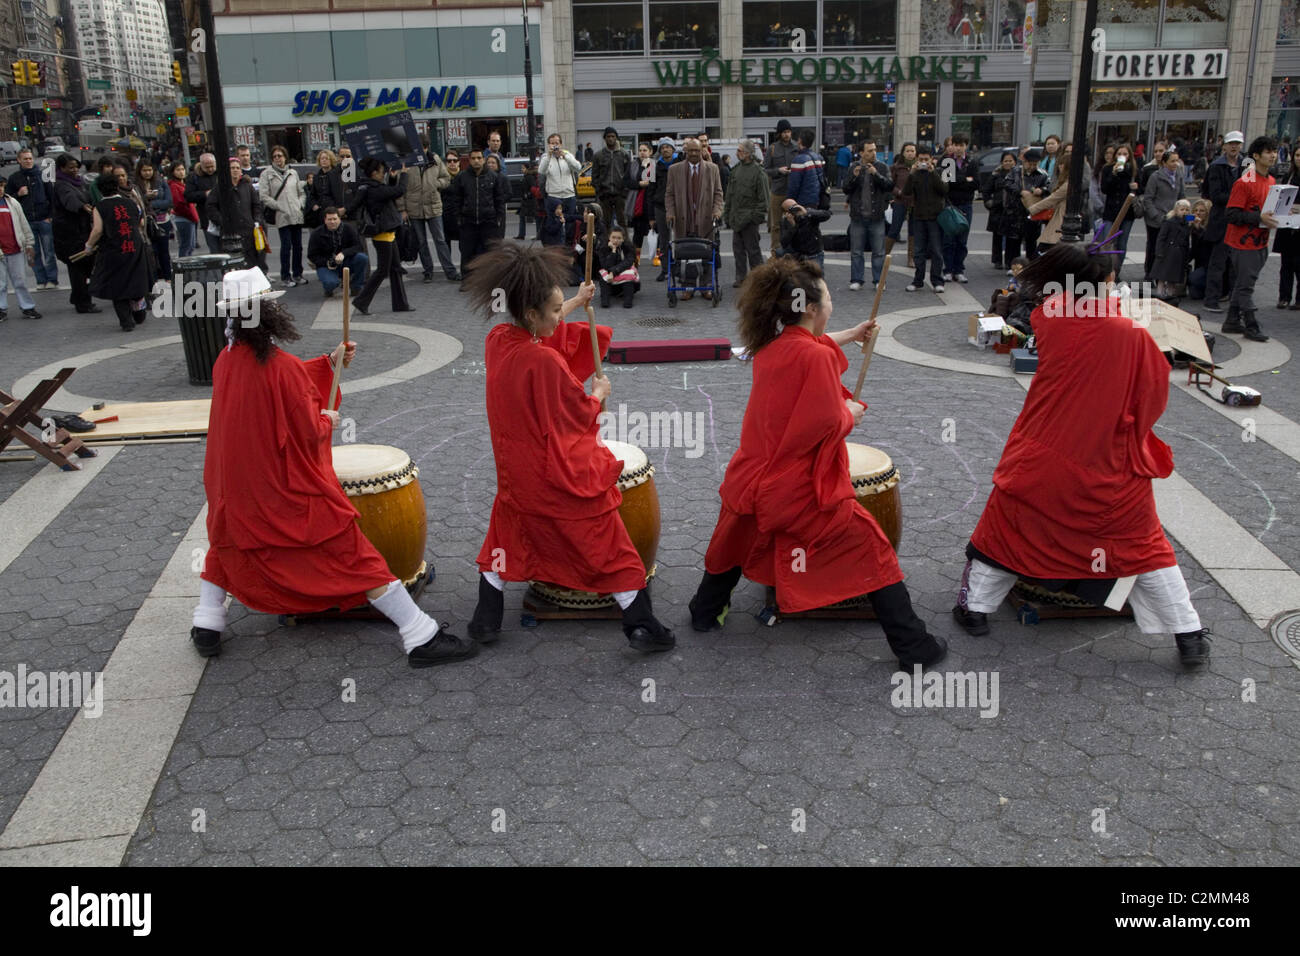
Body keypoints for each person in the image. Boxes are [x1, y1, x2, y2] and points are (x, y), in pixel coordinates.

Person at [953, 243, 1213, 670]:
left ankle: (975, 611)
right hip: (1107, 461)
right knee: (1144, 547)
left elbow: (1056, 303)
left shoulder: (1049, 316)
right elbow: (1151, 400)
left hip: (1040, 453)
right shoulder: (1132, 336)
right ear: (1110, 283)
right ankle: (1188, 635)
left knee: (1005, 531)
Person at [687, 256, 949, 672]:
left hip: (751, 474)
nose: (831, 306)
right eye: (828, 300)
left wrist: (851, 334)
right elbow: (824, 423)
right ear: (810, 308)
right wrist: (851, 413)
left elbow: (811, 346)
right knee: (872, 549)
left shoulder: (769, 348)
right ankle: (914, 646)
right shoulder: (815, 359)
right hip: (797, 486)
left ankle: (704, 611)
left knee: (733, 541)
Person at [192, 291, 475, 668]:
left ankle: (206, 622)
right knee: (352, 553)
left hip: (234, 484)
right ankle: (419, 634)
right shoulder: (282, 366)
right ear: (269, 317)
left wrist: (328, 363)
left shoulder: (225, 360)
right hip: (279, 488)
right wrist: (329, 420)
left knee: (229, 541)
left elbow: (277, 390)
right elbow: (306, 426)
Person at [461, 243, 676, 653]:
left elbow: (542, 333)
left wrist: (576, 300)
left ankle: (485, 619)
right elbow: (574, 414)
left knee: (505, 540)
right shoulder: (544, 363)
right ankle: (641, 624)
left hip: (514, 473)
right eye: (557, 310)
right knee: (608, 543)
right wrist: (597, 394)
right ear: (531, 314)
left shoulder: (499, 340)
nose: (562, 317)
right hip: (552, 473)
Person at [1220, 136, 1281, 342]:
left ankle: (1231, 320)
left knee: (1241, 284)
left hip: (1261, 241)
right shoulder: (1245, 182)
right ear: (1256, 156)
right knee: (1246, 286)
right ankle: (1251, 324)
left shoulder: (1272, 181)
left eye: (1274, 151)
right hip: (1242, 242)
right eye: (1268, 151)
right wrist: (1258, 217)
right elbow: (1231, 214)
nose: (1273, 155)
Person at [85, 171, 151, 331]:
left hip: (113, 251)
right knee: (136, 281)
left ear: (100, 190)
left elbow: (98, 230)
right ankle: (139, 311)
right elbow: (141, 223)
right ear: (117, 187)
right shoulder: (130, 203)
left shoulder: (99, 207)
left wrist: (88, 246)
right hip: (134, 247)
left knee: (117, 286)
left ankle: (126, 322)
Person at [347, 156, 410, 315]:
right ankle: (361, 301)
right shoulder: (373, 189)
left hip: (387, 233)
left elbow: (389, 192)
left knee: (395, 268)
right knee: (383, 270)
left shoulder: (372, 187)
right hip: (383, 235)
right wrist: (404, 174)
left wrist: (394, 177)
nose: (384, 174)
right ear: (374, 173)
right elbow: (398, 191)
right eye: (382, 172)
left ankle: (400, 303)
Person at [664, 137, 724, 300]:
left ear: (702, 151)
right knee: (686, 255)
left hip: (705, 220)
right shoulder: (674, 170)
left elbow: (718, 193)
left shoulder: (713, 169)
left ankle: (706, 287)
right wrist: (670, 212)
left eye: (696, 150)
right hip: (684, 219)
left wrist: (717, 210)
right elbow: (669, 194)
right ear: (685, 152)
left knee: (707, 254)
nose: (693, 154)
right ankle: (688, 287)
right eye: (690, 150)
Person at [398, 144, 459, 282]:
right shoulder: (407, 162)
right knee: (421, 242)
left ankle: (450, 271)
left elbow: (446, 179)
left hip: (433, 205)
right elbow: (400, 186)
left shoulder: (435, 159)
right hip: (414, 206)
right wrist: (402, 209)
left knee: (440, 240)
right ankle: (428, 271)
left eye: (424, 147)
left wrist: (436, 184)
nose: (422, 150)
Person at [1201, 130, 1245, 312]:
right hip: (1222, 220)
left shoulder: (1246, 165)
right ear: (1224, 146)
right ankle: (1211, 299)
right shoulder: (1217, 166)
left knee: (1236, 263)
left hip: (1239, 220)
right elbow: (1214, 194)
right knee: (1217, 262)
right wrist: (1239, 198)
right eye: (1231, 143)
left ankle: (1234, 299)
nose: (1234, 147)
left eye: (1237, 143)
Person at [50, 154, 99, 313]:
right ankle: (82, 303)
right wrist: (82, 207)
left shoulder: (78, 183)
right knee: (78, 269)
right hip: (70, 235)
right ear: (62, 168)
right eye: (71, 167)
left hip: (81, 231)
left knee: (84, 268)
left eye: (76, 166)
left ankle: (78, 297)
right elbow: (69, 201)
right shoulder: (61, 185)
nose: (75, 170)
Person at [6, 149, 58, 290]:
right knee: (33, 253)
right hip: (26, 221)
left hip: (44, 219)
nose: (28, 161)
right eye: (25, 159)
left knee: (49, 252)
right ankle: (40, 280)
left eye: (30, 158)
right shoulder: (14, 178)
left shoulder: (43, 176)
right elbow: (7, 199)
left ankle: (52, 279)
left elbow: (52, 197)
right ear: (19, 160)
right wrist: (18, 194)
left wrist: (50, 216)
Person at [449, 148, 506, 276]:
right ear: (469, 160)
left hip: (488, 221)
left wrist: (498, 218)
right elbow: (457, 199)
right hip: (468, 221)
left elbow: (499, 199)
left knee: (492, 252)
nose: (476, 161)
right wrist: (459, 219)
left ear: (483, 159)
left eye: (479, 158)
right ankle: (467, 279)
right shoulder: (462, 177)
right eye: (473, 158)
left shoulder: (493, 176)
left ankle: (492, 278)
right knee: (467, 253)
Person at [844, 140, 892, 291]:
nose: (873, 153)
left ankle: (878, 280)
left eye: (874, 150)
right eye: (870, 150)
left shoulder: (882, 167)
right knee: (856, 251)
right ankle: (857, 279)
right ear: (862, 153)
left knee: (878, 251)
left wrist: (875, 174)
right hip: (858, 216)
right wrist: (855, 177)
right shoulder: (853, 167)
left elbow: (889, 185)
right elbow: (846, 188)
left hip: (876, 216)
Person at [722, 139, 770, 287]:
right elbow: (729, 194)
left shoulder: (758, 172)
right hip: (737, 219)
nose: (737, 153)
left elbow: (764, 199)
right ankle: (741, 277)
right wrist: (727, 214)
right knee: (738, 251)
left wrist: (755, 217)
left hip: (749, 219)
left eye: (740, 151)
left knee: (753, 251)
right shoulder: (736, 170)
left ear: (748, 153)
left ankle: (760, 279)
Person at [206, 157, 267, 274]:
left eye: (237, 168)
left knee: (252, 264)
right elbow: (210, 207)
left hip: (249, 231)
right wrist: (222, 221)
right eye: (232, 168)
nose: (235, 170)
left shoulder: (247, 186)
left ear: (241, 171)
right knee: (234, 266)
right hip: (230, 233)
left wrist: (256, 220)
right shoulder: (220, 188)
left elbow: (257, 205)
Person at [260, 145, 308, 286]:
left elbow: (301, 192)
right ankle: (285, 276)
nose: (277, 159)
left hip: (296, 214)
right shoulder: (266, 174)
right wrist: (278, 206)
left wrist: (300, 204)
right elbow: (264, 196)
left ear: (285, 157)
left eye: (280, 156)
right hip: (282, 215)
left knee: (298, 246)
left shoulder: (293, 173)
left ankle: (298, 274)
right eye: (275, 156)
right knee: (286, 246)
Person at [903, 146, 948, 293]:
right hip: (919, 216)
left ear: (931, 159)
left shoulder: (940, 171)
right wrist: (911, 174)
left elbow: (944, 190)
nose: (923, 162)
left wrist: (933, 172)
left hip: (936, 217)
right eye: (921, 159)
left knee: (936, 250)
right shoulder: (915, 174)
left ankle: (937, 281)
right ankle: (918, 281)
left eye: (926, 159)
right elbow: (906, 192)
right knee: (919, 251)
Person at [1141, 148, 1185, 281]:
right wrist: (1155, 215)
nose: (1175, 164)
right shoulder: (1155, 177)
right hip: (1156, 219)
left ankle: (1162, 274)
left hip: (1172, 218)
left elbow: (1181, 196)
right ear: (1164, 163)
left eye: (1177, 161)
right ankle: (1150, 273)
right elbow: (1148, 198)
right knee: (1154, 246)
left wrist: (1182, 211)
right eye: (1172, 161)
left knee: (1168, 247)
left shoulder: (1179, 176)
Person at [939, 132, 977, 283]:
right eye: (956, 145)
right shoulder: (946, 160)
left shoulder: (972, 161)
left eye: (962, 145)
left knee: (962, 240)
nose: (959, 148)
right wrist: (965, 180)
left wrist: (961, 180)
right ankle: (947, 269)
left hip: (966, 204)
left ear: (966, 146)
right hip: (950, 204)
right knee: (948, 239)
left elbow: (975, 183)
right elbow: (948, 184)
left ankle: (959, 269)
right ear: (952, 145)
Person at [0, 178, 40, 321]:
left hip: (15, 248)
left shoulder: (12, 202)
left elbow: (23, 223)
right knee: (0, 284)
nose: (0, 189)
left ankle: (27, 307)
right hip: (1, 252)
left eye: (2, 186)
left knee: (20, 281)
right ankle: (1, 309)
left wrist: (29, 243)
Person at [307, 207, 368, 297]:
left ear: (339, 219)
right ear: (325, 220)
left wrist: (344, 253)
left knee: (362, 258)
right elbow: (312, 255)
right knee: (331, 283)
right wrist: (328, 262)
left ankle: (356, 287)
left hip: (345, 261)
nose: (332, 222)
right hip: (326, 265)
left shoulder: (348, 228)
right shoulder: (316, 233)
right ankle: (328, 288)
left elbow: (358, 246)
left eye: (335, 219)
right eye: (329, 219)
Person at [1099, 143, 1140, 275]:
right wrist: (1114, 174)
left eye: (1125, 154)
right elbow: (1104, 189)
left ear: (1129, 156)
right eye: (1119, 154)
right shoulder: (1108, 169)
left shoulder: (1134, 170)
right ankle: (1105, 272)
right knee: (1107, 242)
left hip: (1127, 212)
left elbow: (1142, 189)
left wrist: (1136, 187)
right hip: (1111, 211)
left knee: (1122, 244)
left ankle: (1116, 273)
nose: (1122, 156)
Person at [134, 158, 173, 282]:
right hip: (147, 222)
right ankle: (154, 277)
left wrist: (150, 203)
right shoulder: (135, 185)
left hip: (162, 221)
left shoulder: (160, 182)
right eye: (144, 170)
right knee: (151, 251)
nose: (147, 173)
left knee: (164, 251)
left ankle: (168, 276)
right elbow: (136, 202)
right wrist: (146, 197)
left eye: (149, 170)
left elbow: (168, 201)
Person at [1024, 152, 1072, 253]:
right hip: (1058, 216)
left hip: (1061, 218)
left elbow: (1052, 199)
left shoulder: (1068, 184)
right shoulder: (1063, 181)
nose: (1060, 166)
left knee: (1047, 246)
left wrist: (1032, 209)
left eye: (1062, 164)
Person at [538, 132, 582, 242]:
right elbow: (541, 171)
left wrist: (565, 156)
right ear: (548, 145)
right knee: (554, 225)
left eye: (557, 143)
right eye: (552, 143)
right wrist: (548, 156)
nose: (555, 146)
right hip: (554, 196)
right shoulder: (545, 157)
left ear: (561, 144)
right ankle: (555, 247)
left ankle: (569, 246)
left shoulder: (568, 155)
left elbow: (578, 167)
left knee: (570, 225)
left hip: (569, 196)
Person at [764, 119, 799, 256]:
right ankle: (775, 253)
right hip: (777, 191)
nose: (786, 134)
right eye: (784, 132)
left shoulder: (796, 147)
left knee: (794, 223)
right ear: (779, 133)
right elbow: (765, 170)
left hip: (793, 191)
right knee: (776, 225)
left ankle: (793, 252)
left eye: (788, 132)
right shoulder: (772, 148)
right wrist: (779, 170)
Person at [1151, 199, 1193, 301]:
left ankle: (1170, 295)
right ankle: (1159, 294)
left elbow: (1187, 240)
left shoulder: (1187, 223)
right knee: (1162, 276)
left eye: (1187, 210)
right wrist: (1159, 252)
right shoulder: (1169, 222)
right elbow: (1161, 237)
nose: (1184, 212)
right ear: (1176, 210)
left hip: (1179, 254)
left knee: (1173, 279)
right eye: (1182, 209)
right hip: (1167, 252)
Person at [592, 126, 631, 231]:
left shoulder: (624, 154)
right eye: (608, 136)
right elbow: (594, 176)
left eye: (613, 136)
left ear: (616, 138)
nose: (610, 139)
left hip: (620, 194)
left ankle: (625, 244)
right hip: (605, 194)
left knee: (622, 222)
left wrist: (625, 192)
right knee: (605, 223)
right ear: (605, 138)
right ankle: (605, 244)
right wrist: (599, 191)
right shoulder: (598, 155)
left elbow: (628, 174)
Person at [1275, 158, 1300, 310]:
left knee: (1299, 263)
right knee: (1286, 264)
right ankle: (1284, 297)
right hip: (1286, 224)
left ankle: (1299, 299)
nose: (1299, 158)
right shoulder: (1288, 177)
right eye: (1297, 155)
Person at [650, 138, 677, 278]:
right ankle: (665, 269)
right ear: (660, 151)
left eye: (668, 147)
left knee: (679, 238)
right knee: (663, 239)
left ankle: (677, 268)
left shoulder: (680, 163)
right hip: (660, 207)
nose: (665, 149)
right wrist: (650, 216)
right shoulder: (654, 166)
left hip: (678, 206)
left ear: (673, 149)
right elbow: (650, 190)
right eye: (663, 147)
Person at [987, 151, 1018, 270]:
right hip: (998, 209)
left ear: (1015, 162)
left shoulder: (1018, 175)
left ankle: (1010, 261)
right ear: (1001, 162)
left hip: (1013, 210)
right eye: (1006, 161)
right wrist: (988, 202)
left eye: (1010, 161)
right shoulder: (996, 174)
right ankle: (997, 260)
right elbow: (987, 190)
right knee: (997, 236)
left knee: (1011, 238)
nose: (1008, 163)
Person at [185, 152, 220, 253]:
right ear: (201, 165)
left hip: (223, 216)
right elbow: (188, 196)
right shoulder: (194, 177)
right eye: (207, 167)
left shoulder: (221, 173)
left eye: (212, 166)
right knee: (215, 250)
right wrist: (205, 194)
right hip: (207, 219)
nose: (210, 169)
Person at [889, 142, 917, 268]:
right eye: (907, 151)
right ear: (903, 153)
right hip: (900, 201)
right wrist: (898, 192)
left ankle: (911, 258)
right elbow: (890, 184)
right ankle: (885, 255)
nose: (910, 153)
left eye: (912, 151)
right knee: (894, 230)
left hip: (915, 203)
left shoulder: (919, 166)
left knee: (913, 231)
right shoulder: (896, 167)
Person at [779, 198, 830, 267]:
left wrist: (807, 213)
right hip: (798, 256)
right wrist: (793, 226)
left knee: (816, 276)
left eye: (796, 205)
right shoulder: (786, 221)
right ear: (786, 212)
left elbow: (827, 215)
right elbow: (784, 243)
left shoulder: (807, 213)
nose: (795, 209)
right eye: (792, 208)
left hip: (814, 254)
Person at [597, 224, 638, 308]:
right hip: (610, 277)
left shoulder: (628, 247)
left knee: (630, 272)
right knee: (603, 274)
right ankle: (605, 300)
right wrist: (613, 251)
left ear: (623, 239)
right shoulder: (603, 248)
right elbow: (605, 265)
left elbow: (628, 262)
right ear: (609, 237)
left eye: (619, 238)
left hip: (622, 273)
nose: (616, 240)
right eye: (613, 237)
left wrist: (613, 271)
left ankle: (628, 300)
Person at [625, 142, 655, 256]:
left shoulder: (653, 164)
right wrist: (638, 184)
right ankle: (635, 257)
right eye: (640, 150)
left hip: (650, 202)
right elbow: (626, 182)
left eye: (645, 150)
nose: (642, 153)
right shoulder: (632, 164)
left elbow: (649, 182)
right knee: (638, 233)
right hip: (636, 203)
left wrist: (644, 168)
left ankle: (657, 256)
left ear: (650, 152)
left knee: (654, 230)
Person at [784, 129, 825, 211]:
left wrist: (789, 201)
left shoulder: (799, 160)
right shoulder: (818, 157)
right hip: (815, 200)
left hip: (802, 202)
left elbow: (794, 185)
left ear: (800, 140)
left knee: (802, 223)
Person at [307, 149, 344, 230]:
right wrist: (314, 205)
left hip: (334, 212)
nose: (324, 160)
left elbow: (340, 194)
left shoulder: (337, 175)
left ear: (331, 160)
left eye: (326, 158)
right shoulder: (316, 177)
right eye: (322, 158)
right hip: (320, 213)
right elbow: (312, 195)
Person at [168, 163, 199, 258]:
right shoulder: (174, 185)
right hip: (184, 218)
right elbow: (178, 204)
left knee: (191, 246)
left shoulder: (183, 184)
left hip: (190, 218)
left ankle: (187, 271)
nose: (181, 172)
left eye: (182, 169)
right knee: (185, 246)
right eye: (178, 170)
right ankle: (180, 272)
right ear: (173, 172)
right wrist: (190, 213)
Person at [439, 150, 462, 271]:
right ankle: (449, 269)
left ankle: (465, 267)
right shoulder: (442, 177)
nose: (452, 163)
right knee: (445, 244)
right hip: (445, 216)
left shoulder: (463, 177)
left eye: (455, 160)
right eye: (449, 161)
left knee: (463, 245)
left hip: (460, 216)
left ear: (459, 162)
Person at [518, 160, 539, 241]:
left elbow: (533, 187)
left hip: (530, 201)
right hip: (526, 201)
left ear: (527, 168)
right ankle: (521, 234)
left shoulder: (529, 177)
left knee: (536, 217)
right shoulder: (526, 176)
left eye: (523, 168)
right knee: (522, 216)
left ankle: (537, 234)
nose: (521, 169)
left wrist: (528, 194)